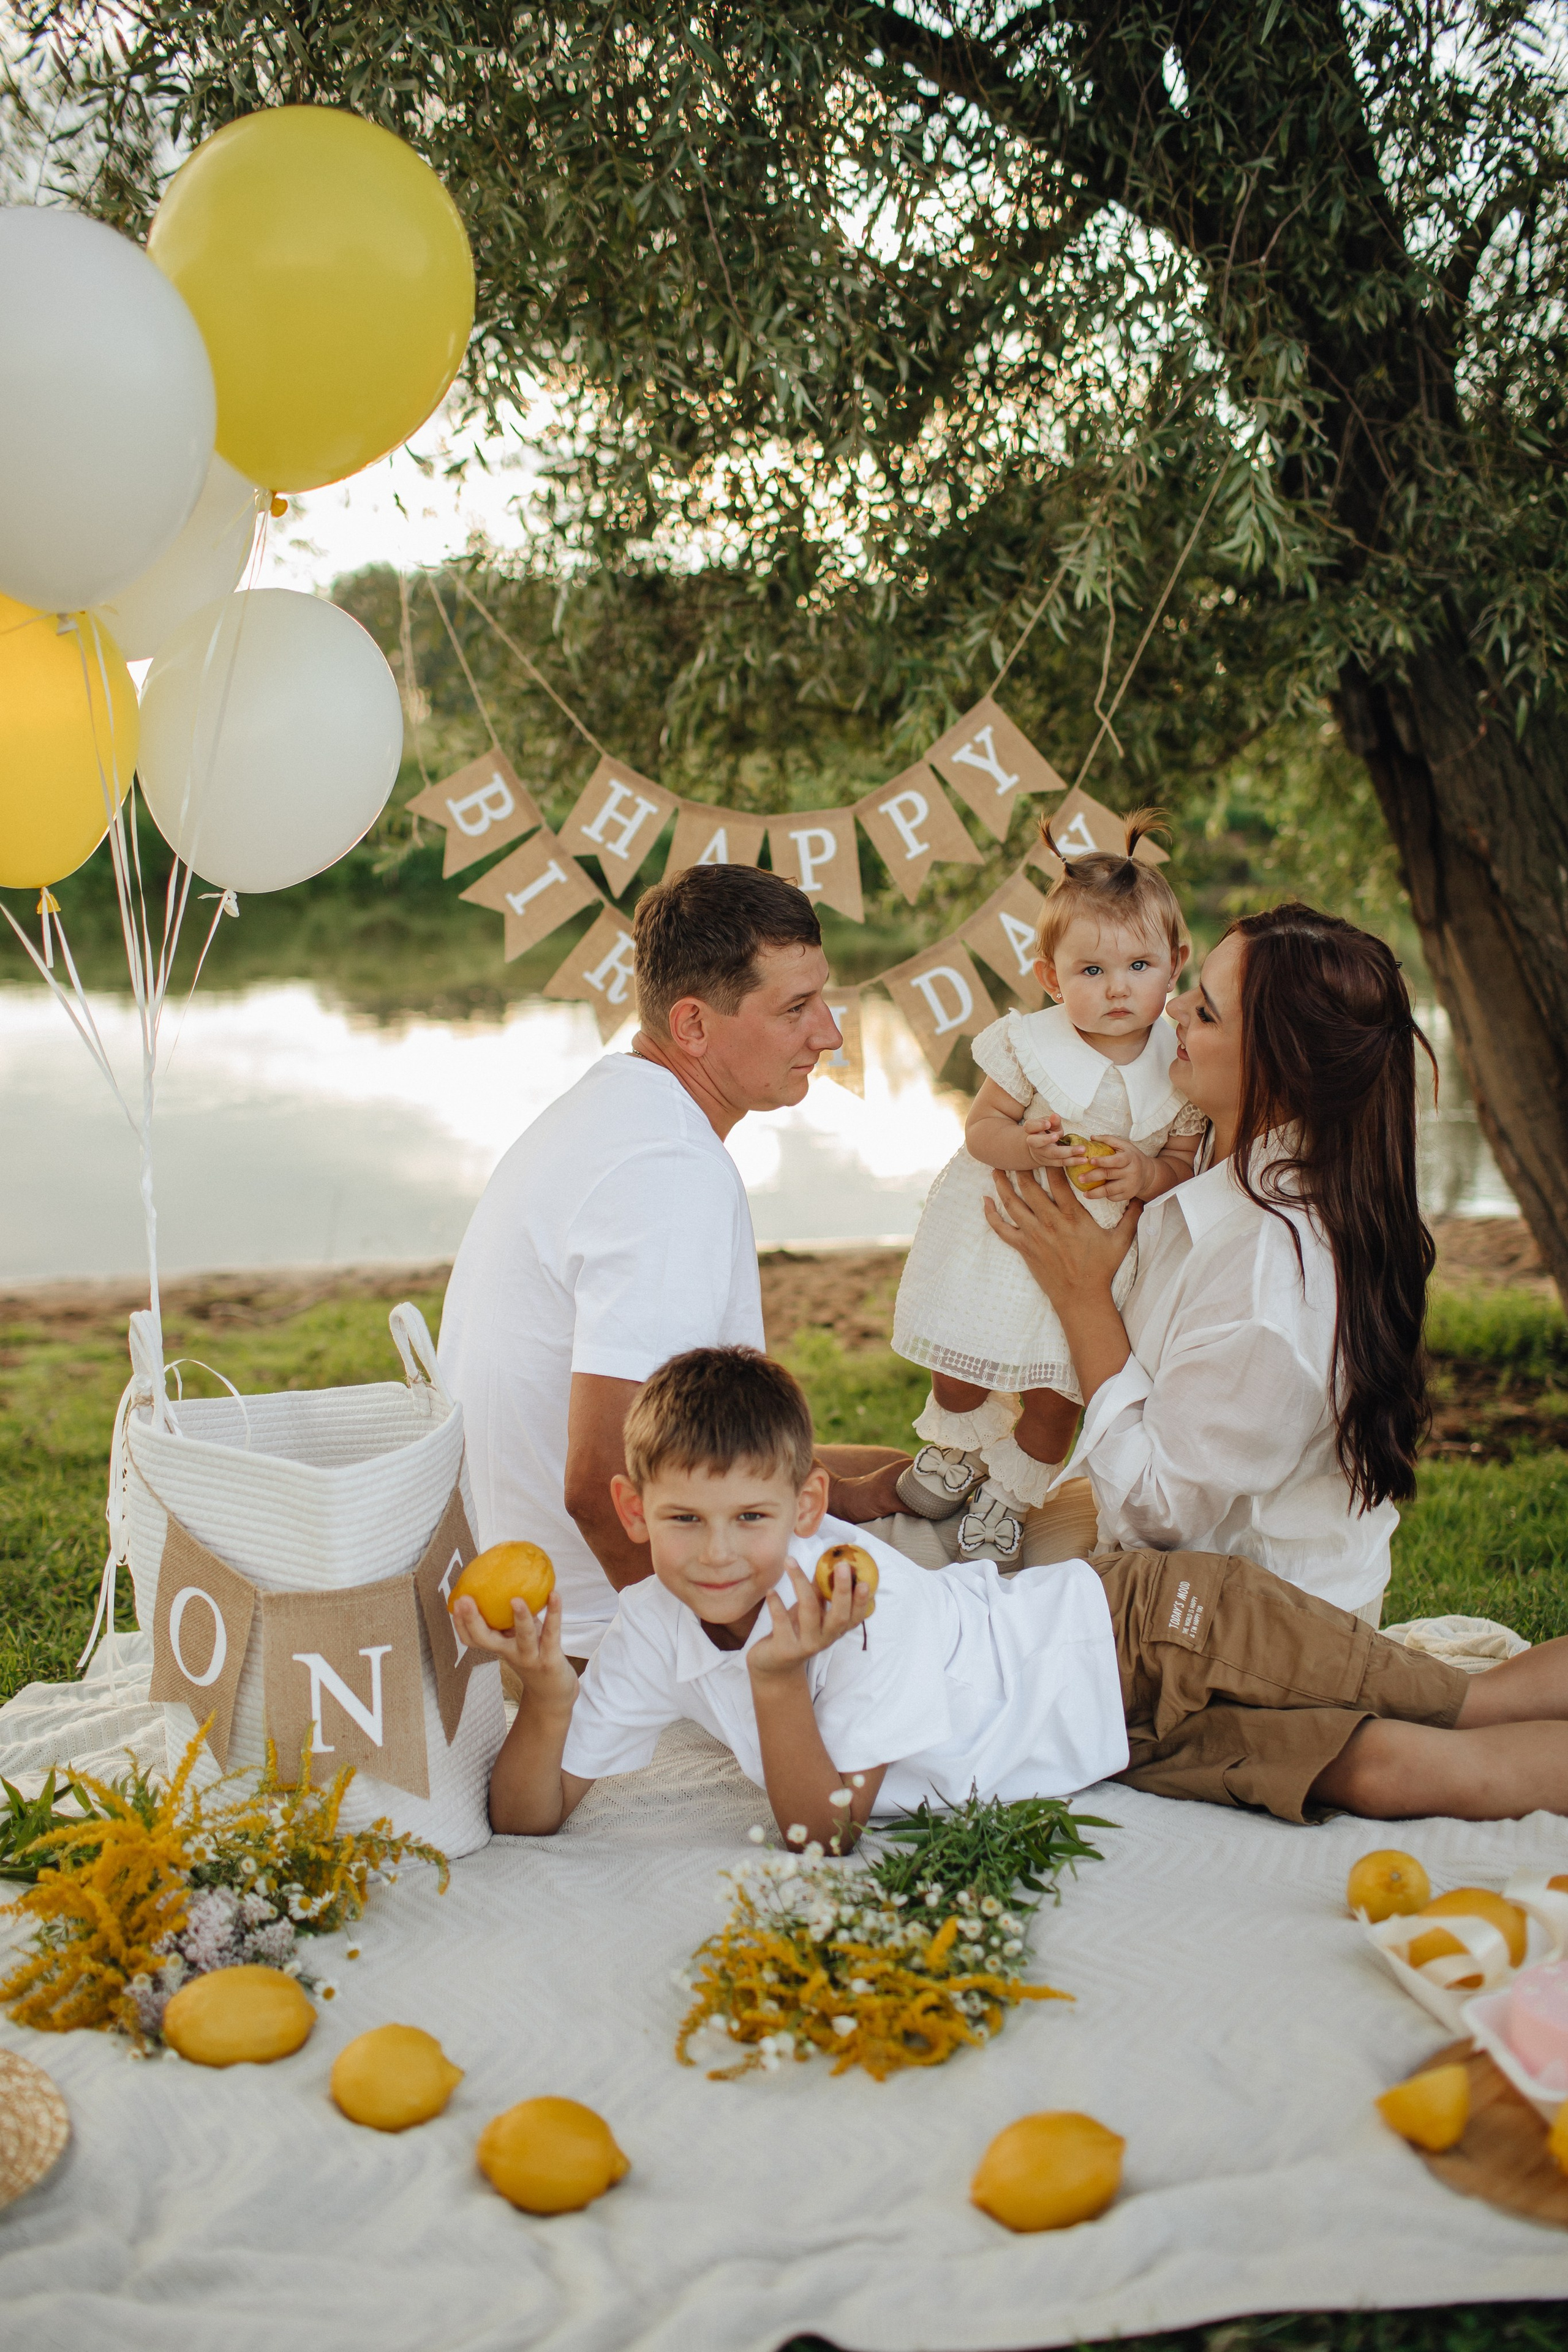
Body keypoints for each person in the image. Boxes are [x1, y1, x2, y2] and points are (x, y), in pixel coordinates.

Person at [455, 1347, 1568, 1842]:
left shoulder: (857, 1590)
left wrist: (780, 1675)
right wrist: (548, 1697)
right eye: (684, 1520)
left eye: (750, 1518)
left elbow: (822, 1827)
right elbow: (532, 1815)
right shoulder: (655, 1626)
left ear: (805, 1508)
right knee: (1384, 1772)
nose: (715, 1554)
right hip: (1115, 1744)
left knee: (1461, 1703)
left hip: (1147, 1631)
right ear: (632, 1508)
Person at [438, 864, 908, 1664]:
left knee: (917, 1487)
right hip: (597, 1630)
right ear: (692, 1025)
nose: (830, 1034)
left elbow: (665, 1449)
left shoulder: (616, 1109)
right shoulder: (669, 1171)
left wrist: (850, 1483)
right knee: (1005, 1609)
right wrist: (730, 1663)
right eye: (795, 1009)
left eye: (822, 998)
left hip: (551, 1580)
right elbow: (599, 1481)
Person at [983, 902, 1436, 1623]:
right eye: (1192, 989)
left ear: (1282, 1066)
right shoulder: (1191, 1156)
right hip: (1148, 1559)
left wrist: (1080, 1296)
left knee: (887, 1595)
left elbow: (1159, 1514)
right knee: (862, 1494)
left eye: (1208, 1012)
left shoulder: (1272, 1270)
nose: (1172, 1007)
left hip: (1230, 1625)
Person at [890, 812, 1207, 1564]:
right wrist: (1022, 1141)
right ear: (1049, 977)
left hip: (1097, 1255)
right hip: (1001, 1234)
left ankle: (1010, 1495)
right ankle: (956, 1445)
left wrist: (1145, 1171)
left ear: (1175, 962)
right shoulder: (1029, 1044)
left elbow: (1186, 1165)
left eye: (1139, 967)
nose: (1117, 989)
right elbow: (981, 1130)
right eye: (1090, 973)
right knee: (962, 1357)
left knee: (1056, 1391)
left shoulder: (1181, 1061)